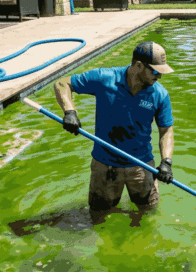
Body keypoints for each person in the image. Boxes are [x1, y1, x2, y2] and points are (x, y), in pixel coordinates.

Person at [53, 41, 175, 221]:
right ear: (138, 65)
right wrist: (70, 112)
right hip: (105, 165)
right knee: (99, 215)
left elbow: (166, 131)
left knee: (147, 215)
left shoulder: (160, 94)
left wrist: (166, 162)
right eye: (155, 71)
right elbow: (62, 84)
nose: (159, 77)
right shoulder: (105, 78)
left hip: (141, 166)